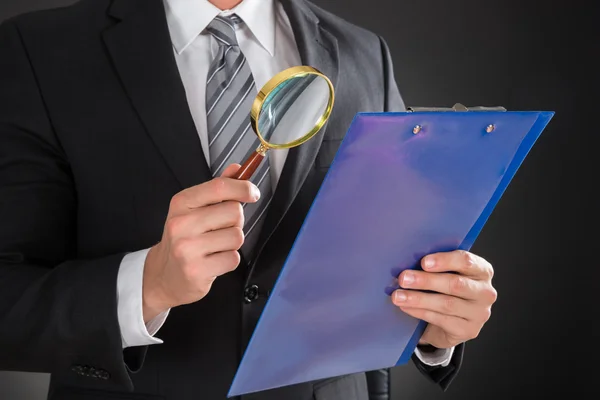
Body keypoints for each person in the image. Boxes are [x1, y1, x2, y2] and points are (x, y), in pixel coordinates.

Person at [0, 0, 498, 399]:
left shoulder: (365, 52)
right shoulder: (36, 49)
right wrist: (146, 285)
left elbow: (383, 256)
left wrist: (432, 324)